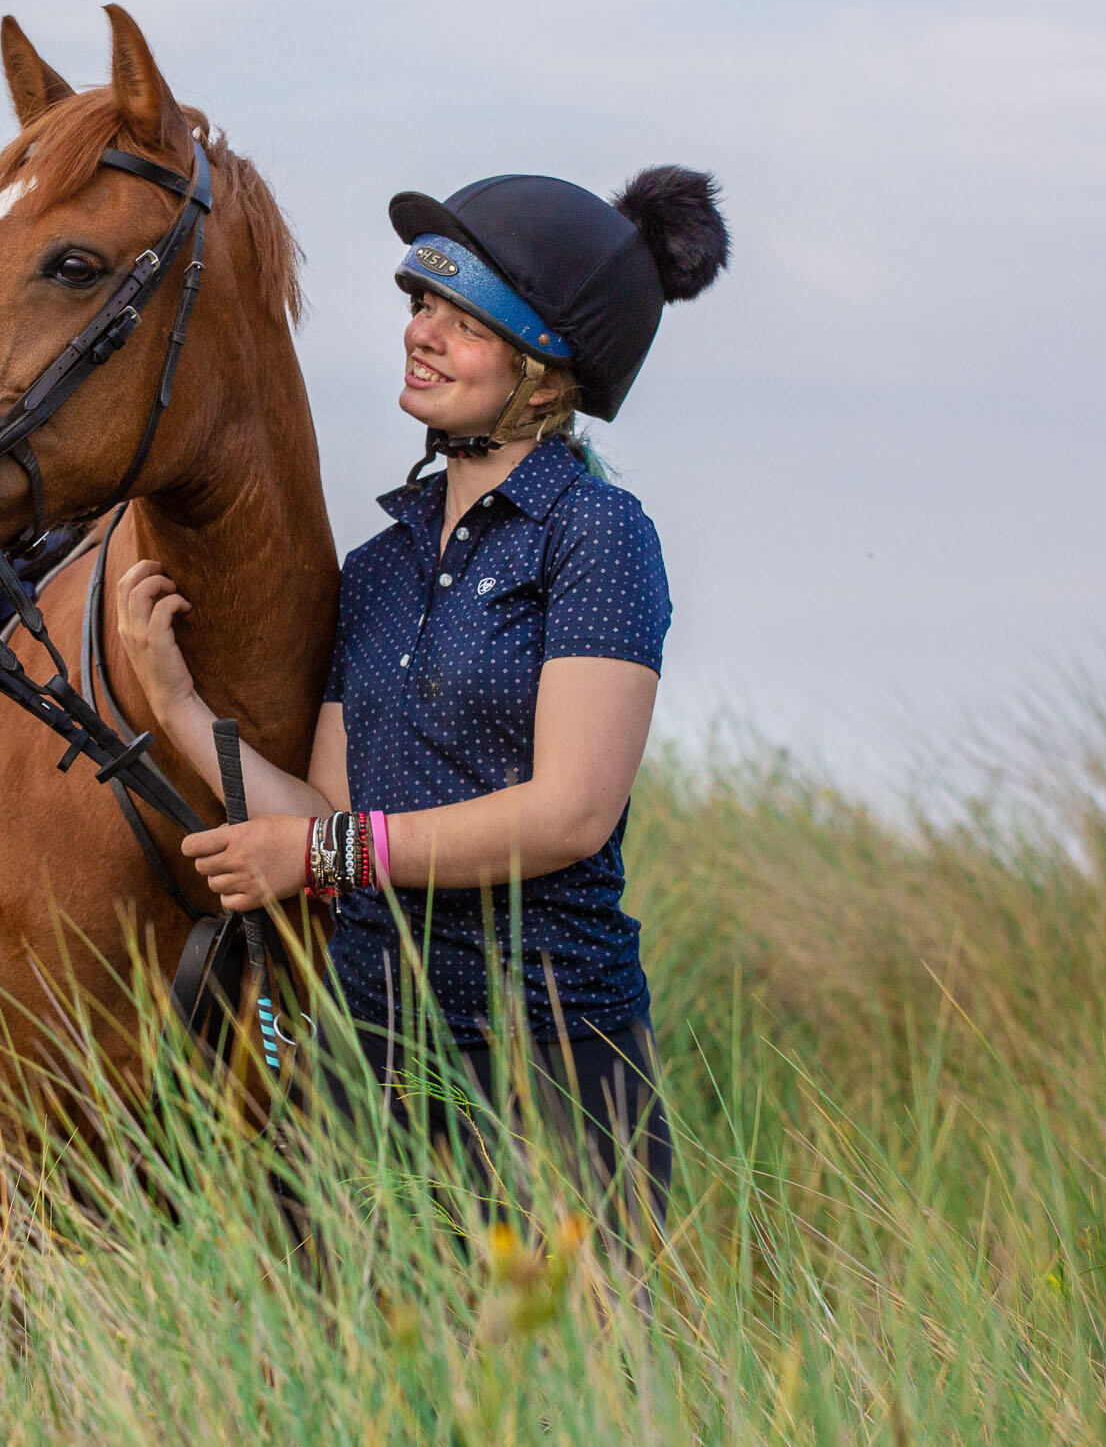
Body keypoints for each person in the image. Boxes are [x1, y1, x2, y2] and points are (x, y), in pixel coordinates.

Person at [117, 164, 729, 1225]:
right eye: (419, 305)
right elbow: (324, 809)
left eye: (465, 320)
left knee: (545, 1389)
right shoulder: (379, 566)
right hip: (359, 1060)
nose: (422, 334)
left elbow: (570, 814)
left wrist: (315, 858)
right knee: (334, 1386)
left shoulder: (596, 538)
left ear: (547, 372)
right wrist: (176, 706)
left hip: (544, 1061)